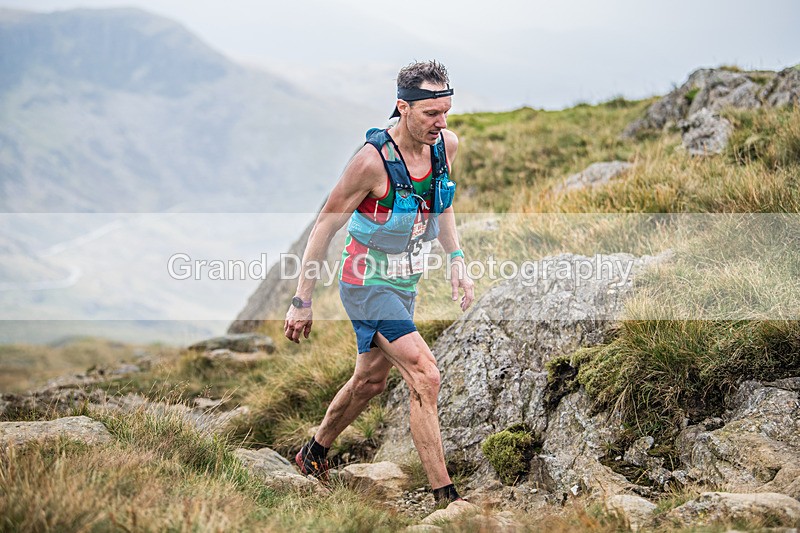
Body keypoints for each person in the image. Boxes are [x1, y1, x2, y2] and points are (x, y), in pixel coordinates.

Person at [284, 60, 474, 509]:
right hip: (366, 281)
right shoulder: (371, 163)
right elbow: (324, 228)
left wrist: (457, 258)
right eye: (430, 113)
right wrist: (301, 299)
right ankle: (445, 498)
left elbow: (441, 202)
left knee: (370, 380)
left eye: (445, 111)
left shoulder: (446, 145)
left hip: (405, 281)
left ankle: (312, 453)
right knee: (425, 375)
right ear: (402, 108)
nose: (440, 122)